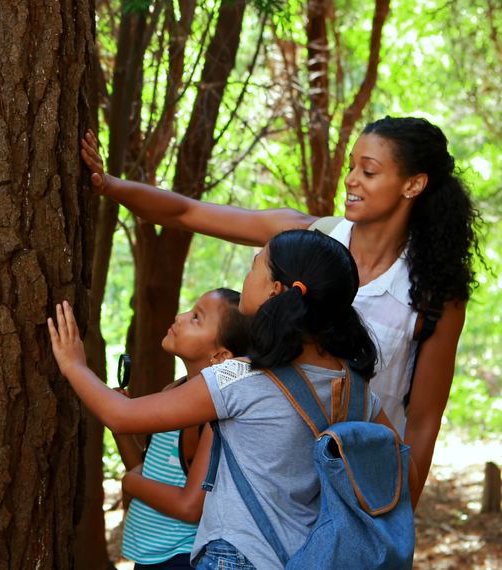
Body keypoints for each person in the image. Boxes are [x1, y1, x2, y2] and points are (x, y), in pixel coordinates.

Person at [80, 116, 480, 502]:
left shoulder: (433, 298)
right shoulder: (306, 239)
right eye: (351, 166)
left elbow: (425, 418)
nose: (351, 180)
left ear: (413, 184)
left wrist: (399, 513)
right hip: (264, 476)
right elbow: (188, 212)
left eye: (369, 171)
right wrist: (109, 185)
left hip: (353, 489)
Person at [49, 229, 415, 569]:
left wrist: (73, 365)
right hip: (306, 558)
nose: (247, 273)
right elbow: (404, 474)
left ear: (276, 290)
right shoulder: (354, 388)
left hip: (235, 557)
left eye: (256, 264)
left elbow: (123, 416)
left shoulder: (242, 376)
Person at [115, 289, 250, 569]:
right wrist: (120, 429)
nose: (180, 316)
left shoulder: (211, 416)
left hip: (180, 557)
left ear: (221, 355)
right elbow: (147, 468)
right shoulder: (173, 390)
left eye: (197, 318)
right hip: (148, 554)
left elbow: (190, 507)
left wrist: (130, 482)